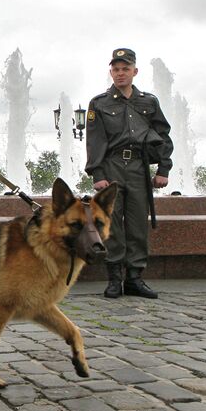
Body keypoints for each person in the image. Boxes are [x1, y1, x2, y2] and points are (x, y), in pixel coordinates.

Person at [85, 48, 173, 300]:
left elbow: (164, 135)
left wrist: (163, 169)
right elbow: (94, 140)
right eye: (116, 69)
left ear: (135, 71)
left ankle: (134, 278)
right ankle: (114, 278)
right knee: (112, 224)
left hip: (139, 167)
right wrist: (97, 173)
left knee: (137, 225)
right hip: (112, 166)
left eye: (125, 69)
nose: (120, 73)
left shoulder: (149, 102)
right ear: (110, 72)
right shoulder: (99, 103)